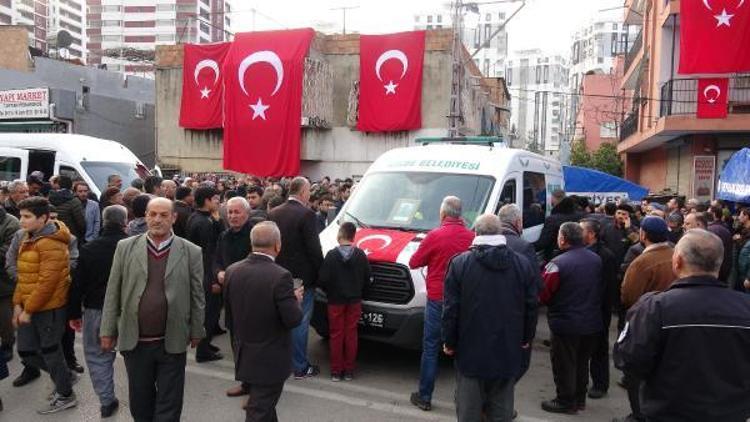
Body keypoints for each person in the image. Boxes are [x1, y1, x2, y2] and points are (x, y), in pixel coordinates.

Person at [614, 229, 750, 421]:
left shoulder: (655, 307)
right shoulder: (745, 308)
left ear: (677, 261)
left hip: (669, 412)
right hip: (731, 413)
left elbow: (628, 359)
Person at [100, 197, 205, 422]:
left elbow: (197, 294)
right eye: (152, 214)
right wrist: (107, 330)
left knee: (170, 402)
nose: (157, 220)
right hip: (135, 341)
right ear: (145, 216)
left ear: (174, 218)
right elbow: (112, 291)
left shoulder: (191, 252)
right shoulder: (125, 247)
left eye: (164, 215)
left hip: (172, 340)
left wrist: (197, 329)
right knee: (140, 401)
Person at [443, 215, 538, 422]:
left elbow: (451, 309)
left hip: (470, 351)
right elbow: (531, 306)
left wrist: (449, 342)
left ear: (476, 232)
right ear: (500, 233)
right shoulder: (522, 264)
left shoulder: (460, 263)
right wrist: (525, 339)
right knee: (501, 410)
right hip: (507, 349)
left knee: (468, 410)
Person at [224, 221, 303, 422]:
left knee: (265, 408)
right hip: (270, 358)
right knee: (259, 411)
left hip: (244, 351)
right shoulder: (281, 276)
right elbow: (293, 319)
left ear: (252, 245)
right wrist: (296, 300)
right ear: (278, 245)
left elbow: (230, 315)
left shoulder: (232, 270)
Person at [408, 196, 475, 411]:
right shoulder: (472, 236)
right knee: (463, 349)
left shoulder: (434, 236)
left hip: (438, 298)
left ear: (443, 214)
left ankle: (425, 396)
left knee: (430, 347)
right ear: (460, 214)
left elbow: (414, 262)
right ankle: (463, 399)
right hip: (464, 301)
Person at [12, 197, 77, 414]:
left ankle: (66, 394)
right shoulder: (27, 237)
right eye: (21, 216)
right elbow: (24, 276)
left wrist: (28, 309)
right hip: (30, 305)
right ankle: (65, 377)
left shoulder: (52, 242)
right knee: (26, 351)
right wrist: (18, 304)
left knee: (50, 351)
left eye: (27, 217)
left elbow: (47, 283)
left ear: (43, 218)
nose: (22, 221)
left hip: (49, 308)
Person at [67, 205, 128, 418]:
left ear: (103, 222)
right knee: (137, 356)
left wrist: (74, 314)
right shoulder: (132, 247)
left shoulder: (90, 249)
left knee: (96, 356)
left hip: (96, 309)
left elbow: (77, 284)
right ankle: (145, 398)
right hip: (128, 310)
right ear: (125, 222)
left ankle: (106, 400)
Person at [615, 216, 676, 422]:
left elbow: (628, 296)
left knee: (637, 374)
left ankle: (639, 415)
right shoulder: (676, 253)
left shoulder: (642, 261)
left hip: (646, 323)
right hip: (673, 320)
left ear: (643, 234)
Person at [539, 222, 602, 414]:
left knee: (564, 363)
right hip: (591, 321)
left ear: (563, 238)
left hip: (565, 322)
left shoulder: (557, 264)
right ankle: (579, 399)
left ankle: (565, 401)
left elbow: (544, 293)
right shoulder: (596, 259)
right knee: (582, 363)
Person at [268, 177, 324, 379]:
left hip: (276, 274)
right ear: (303, 192)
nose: (309, 195)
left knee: (279, 320)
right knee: (299, 321)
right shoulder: (307, 214)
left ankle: (281, 362)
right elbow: (314, 249)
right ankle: (300, 366)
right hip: (301, 279)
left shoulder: (274, 212)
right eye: (308, 192)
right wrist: (321, 273)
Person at [318, 222, 371, 382]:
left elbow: (323, 279)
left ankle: (336, 371)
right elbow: (367, 279)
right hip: (354, 300)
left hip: (335, 300)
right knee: (351, 334)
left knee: (336, 335)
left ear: (339, 235)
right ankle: (348, 371)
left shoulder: (331, 255)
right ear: (353, 236)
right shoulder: (361, 255)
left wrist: (330, 292)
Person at [215, 197, 254, 400]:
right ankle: (245, 381)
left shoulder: (254, 234)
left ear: (246, 214)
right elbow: (217, 260)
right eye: (229, 212)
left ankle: (258, 386)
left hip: (251, 296)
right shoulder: (224, 235)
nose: (232, 216)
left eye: (237, 212)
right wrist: (218, 272)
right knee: (236, 340)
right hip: (230, 296)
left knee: (252, 341)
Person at [579, 219, 617, 399]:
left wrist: (603, 310)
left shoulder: (605, 255)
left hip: (598, 309)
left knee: (599, 348)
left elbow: (608, 287)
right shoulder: (578, 251)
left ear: (591, 234)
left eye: (581, 230)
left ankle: (600, 384)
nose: (578, 233)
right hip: (582, 308)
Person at [186, 186, 224, 363]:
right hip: (206, 275)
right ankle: (203, 350)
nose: (217, 202)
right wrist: (213, 280)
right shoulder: (202, 223)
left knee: (209, 313)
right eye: (215, 199)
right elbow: (209, 254)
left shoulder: (199, 217)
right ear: (207, 200)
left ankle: (206, 344)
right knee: (208, 314)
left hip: (201, 272)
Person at [536, 195, 584, 262]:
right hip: (578, 253)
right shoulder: (580, 216)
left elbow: (544, 241)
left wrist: (528, 247)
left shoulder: (552, 219)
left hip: (556, 255)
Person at [0, 205, 20, 363]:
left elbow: (8, 251)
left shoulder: (11, 223)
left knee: (5, 316)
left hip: (4, 280)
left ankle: (7, 344)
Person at [48, 175, 86, 242]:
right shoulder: (74, 201)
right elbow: (81, 222)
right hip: (70, 236)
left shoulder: (49, 199)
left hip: (51, 235)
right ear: (71, 186)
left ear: (58, 185)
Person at [707, 205, 733, 283]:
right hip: (724, 269)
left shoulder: (711, 230)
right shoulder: (725, 228)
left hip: (715, 270)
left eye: (708, 213)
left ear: (714, 214)